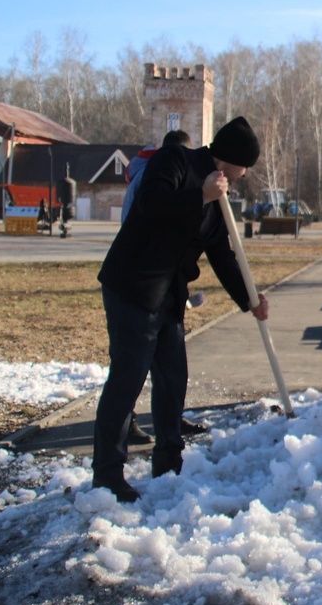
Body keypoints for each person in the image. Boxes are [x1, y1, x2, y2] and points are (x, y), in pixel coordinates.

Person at [91, 116, 268, 502]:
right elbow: (152, 205)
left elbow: (222, 254)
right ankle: (107, 473)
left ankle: (168, 466)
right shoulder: (174, 162)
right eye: (243, 167)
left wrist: (250, 299)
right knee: (127, 380)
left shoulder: (218, 196)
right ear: (231, 159)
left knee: (173, 380)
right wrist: (199, 195)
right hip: (132, 287)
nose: (242, 176)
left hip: (168, 297)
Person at [119, 129, 195, 446]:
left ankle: (170, 419)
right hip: (139, 282)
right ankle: (126, 426)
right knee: (133, 363)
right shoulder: (152, 180)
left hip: (161, 281)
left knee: (168, 362)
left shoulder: (154, 175)